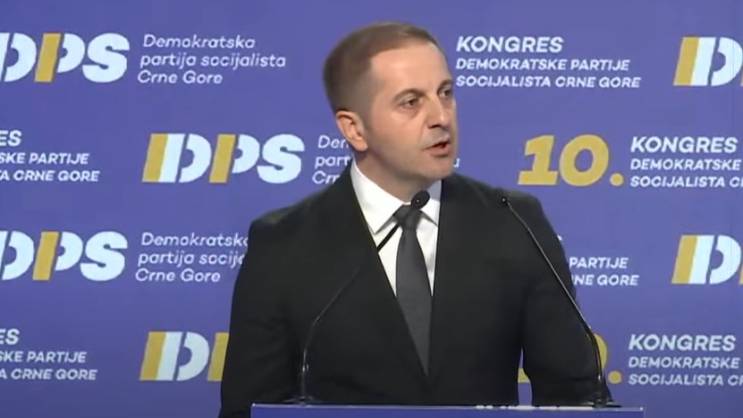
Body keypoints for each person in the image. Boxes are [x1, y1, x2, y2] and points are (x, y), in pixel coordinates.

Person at [219, 21, 597, 418]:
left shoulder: (513, 222)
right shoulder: (284, 245)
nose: (440, 117)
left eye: (445, 93)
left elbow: (575, 395)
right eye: (411, 102)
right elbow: (248, 409)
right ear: (354, 129)